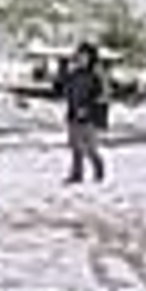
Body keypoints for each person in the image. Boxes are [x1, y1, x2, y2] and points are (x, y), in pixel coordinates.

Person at [53, 40, 110, 184]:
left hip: (90, 116)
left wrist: (89, 109)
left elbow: (101, 96)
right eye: (79, 56)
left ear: (91, 58)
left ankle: (99, 170)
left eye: (84, 56)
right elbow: (60, 88)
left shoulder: (96, 76)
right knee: (74, 145)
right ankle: (76, 174)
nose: (81, 59)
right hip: (73, 113)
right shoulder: (74, 74)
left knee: (90, 146)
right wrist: (61, 70)